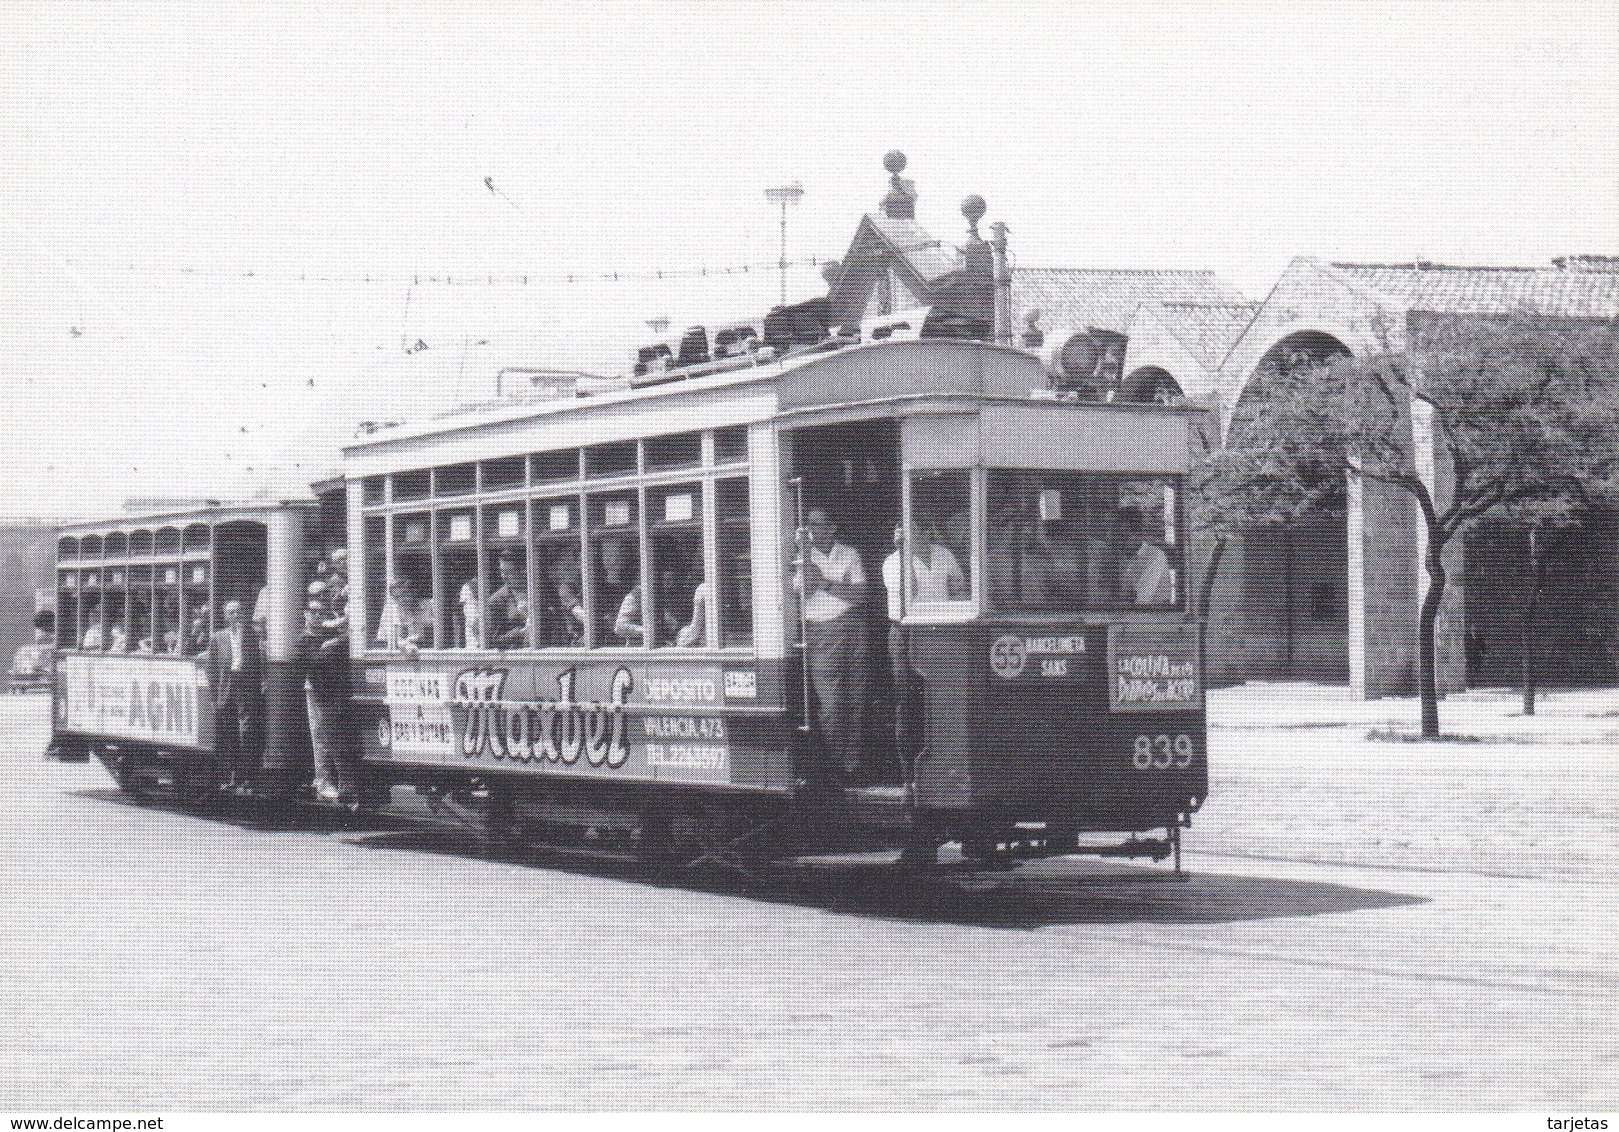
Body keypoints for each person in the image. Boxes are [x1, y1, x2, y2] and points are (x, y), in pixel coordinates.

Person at [881, 525, 966, 783]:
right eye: (906, 530)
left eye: (917, 528)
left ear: (928, 531)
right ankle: (909, 776)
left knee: (943, 701)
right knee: (908, 703)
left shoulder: (944, 554)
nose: (913, 534)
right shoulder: (893, 562)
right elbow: (910, 595)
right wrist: (904, 554)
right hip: (906, 633)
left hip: (942, 631)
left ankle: (942, 769)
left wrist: (952, 610)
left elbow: (960, 588)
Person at [793, 507, 870, 784]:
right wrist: (806, 558)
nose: (813, 530)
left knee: (856, 697)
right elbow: (806, 589)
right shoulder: (800, 557)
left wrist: (825, 582)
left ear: (832, 527)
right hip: (820, 633)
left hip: (853, 627)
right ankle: (833, 767)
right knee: (832, 703)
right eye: (809, 525)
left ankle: (852, 763)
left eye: (819, 524)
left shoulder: (849, 553)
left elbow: (861, 594)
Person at [205, 599, 265, 781]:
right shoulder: (218, 637)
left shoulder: (251, 635)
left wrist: (259, 685)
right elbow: (211, 668)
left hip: (245, 685)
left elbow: (258, 663)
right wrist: (215, 696)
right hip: (226, 685)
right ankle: (230, 774)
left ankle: (246, 773)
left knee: (245, 730)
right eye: (231, 612)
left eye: (238, 611)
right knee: (227, 730)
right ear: (225, 616)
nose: (236, 615)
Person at [376, 577, 435, 654]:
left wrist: (421, 637)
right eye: (395, 598)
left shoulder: (430, 605)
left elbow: (441, 634)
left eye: (402, 595)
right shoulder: (395, 609)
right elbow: (385, 642)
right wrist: (404, 643)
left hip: (430, 651)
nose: (399, 601)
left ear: (413, 592)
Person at [485, 554, 529, 649]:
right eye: (502, 571)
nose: (503, 576)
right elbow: (491, 640)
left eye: (509, 572)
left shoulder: (537, 592)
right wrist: (520, 632)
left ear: (523, 570)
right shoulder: (496, 601)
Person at [1122, 539, 1173, 606]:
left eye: (1125, 537)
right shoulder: (1129, 558)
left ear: (1136, 535)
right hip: (1137, 610)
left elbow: (1143, 596)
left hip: (1157, 612)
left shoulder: (1155, 554)